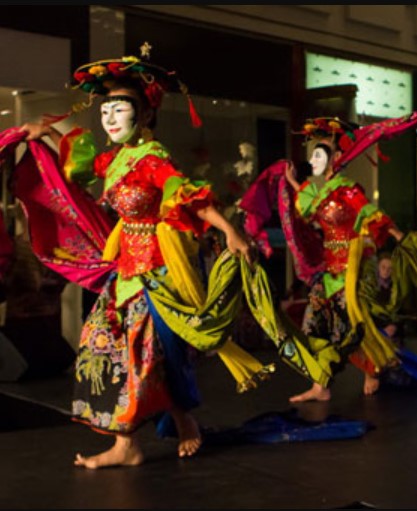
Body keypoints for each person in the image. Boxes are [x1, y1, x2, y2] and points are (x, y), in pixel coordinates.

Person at [16, 50, 256, 468]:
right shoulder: (115, 159)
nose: (109, 117)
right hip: (124, 269)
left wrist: (230, 229)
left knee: (148, 356)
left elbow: (188, 198)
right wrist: (48, 135)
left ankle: (160, 430)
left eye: (120, 108)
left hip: (158, 270)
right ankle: (138, 438)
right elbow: (81, 164)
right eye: (105, 109)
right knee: (105, 351)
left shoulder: (152, 158)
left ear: (144, 116)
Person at [276, 117, 417, 402]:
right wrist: (291, 181)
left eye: (321, 153)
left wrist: (401, 238)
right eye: (313, 153)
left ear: (337, 158)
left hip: (354, 270)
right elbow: (307, 205)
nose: (314, 159)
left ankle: (372, 369)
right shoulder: (317, 194)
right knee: (313, 325)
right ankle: (320, 384)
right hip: (329, 272)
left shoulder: (349, 190)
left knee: (352, 327)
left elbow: (371, 216)